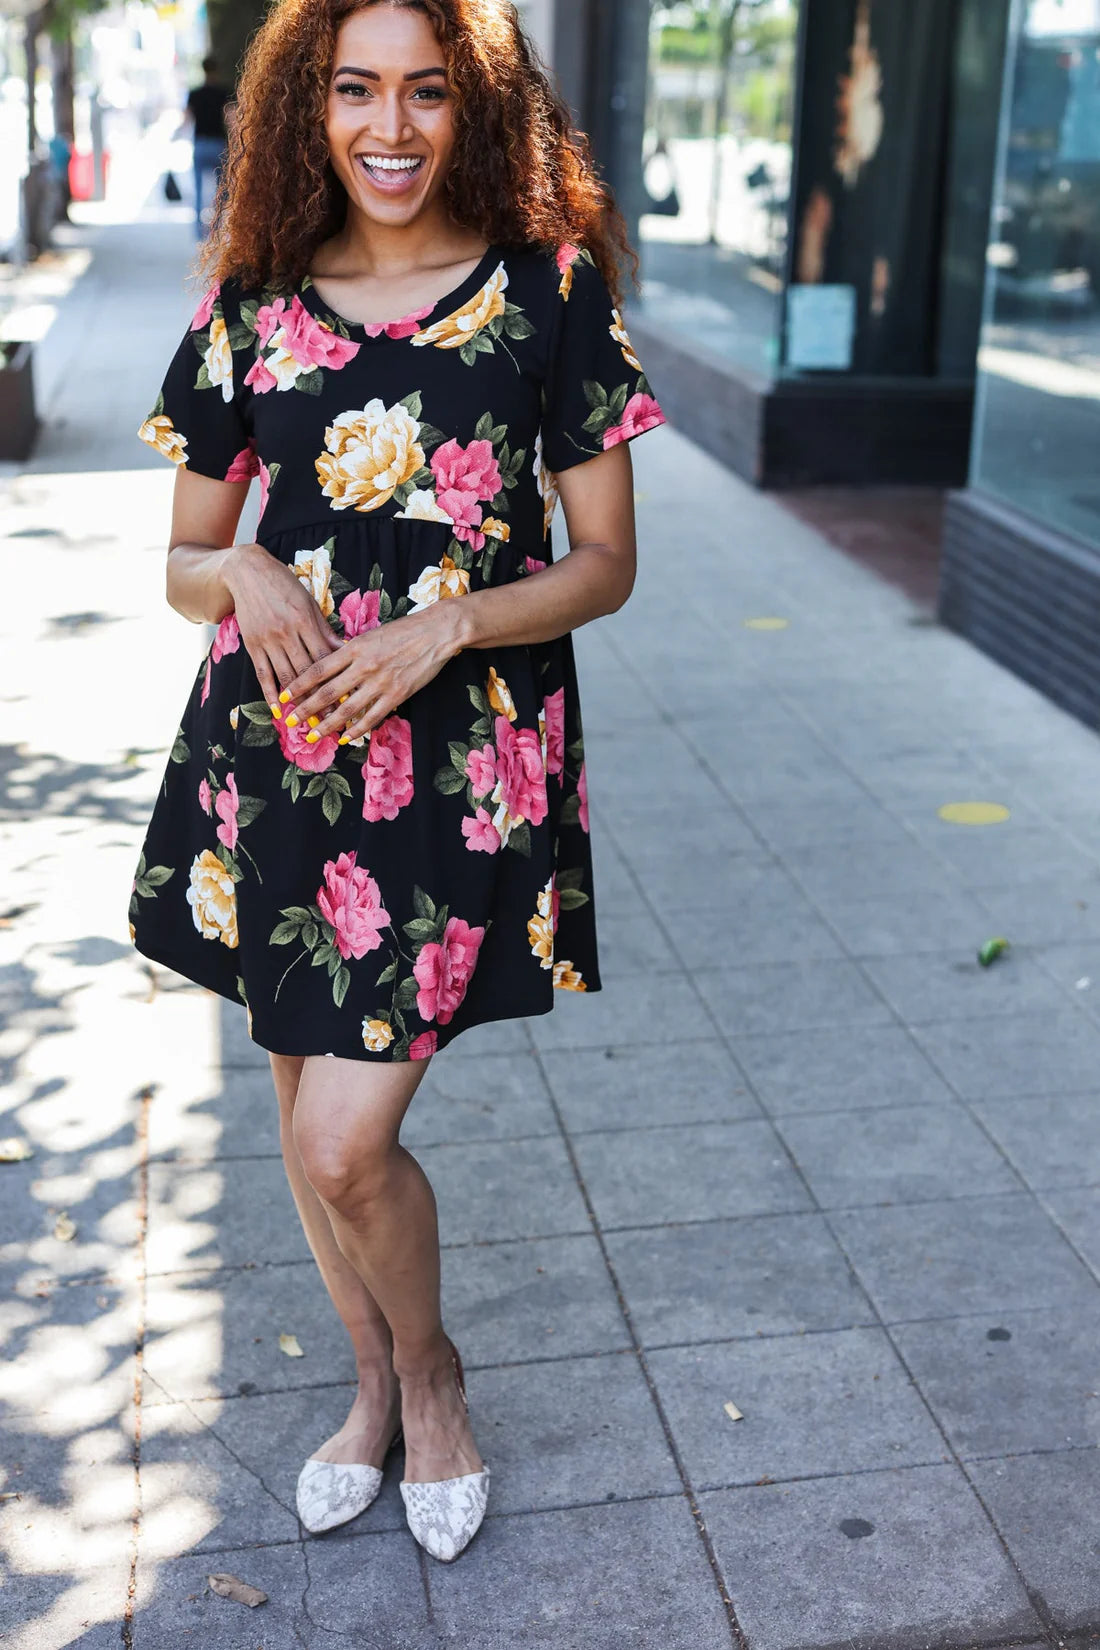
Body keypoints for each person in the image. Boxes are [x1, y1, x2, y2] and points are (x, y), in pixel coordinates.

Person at [134, 0, 666, 1564]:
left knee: (339, 1141)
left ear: (473, 108)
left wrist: (450, 622)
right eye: (356, 89)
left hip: (455, 769)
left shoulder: (549, 296)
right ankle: (368, 1389)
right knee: (307, 1110)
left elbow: (610, 565)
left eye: (426, 92)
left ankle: (433, 1377)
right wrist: (235, 568)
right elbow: (176, 560)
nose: (389, 127)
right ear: (309, 105)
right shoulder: (253, 302)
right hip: (279, 755)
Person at [182, 54, 234, 234]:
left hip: (200, 144)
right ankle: (217, 227)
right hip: (218, 144)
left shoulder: (194, 94)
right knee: (221, 188)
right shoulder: (223, 93)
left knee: (197, 188)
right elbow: (231, 119)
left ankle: (198, 229)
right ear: (216, 71)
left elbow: (186, 119)